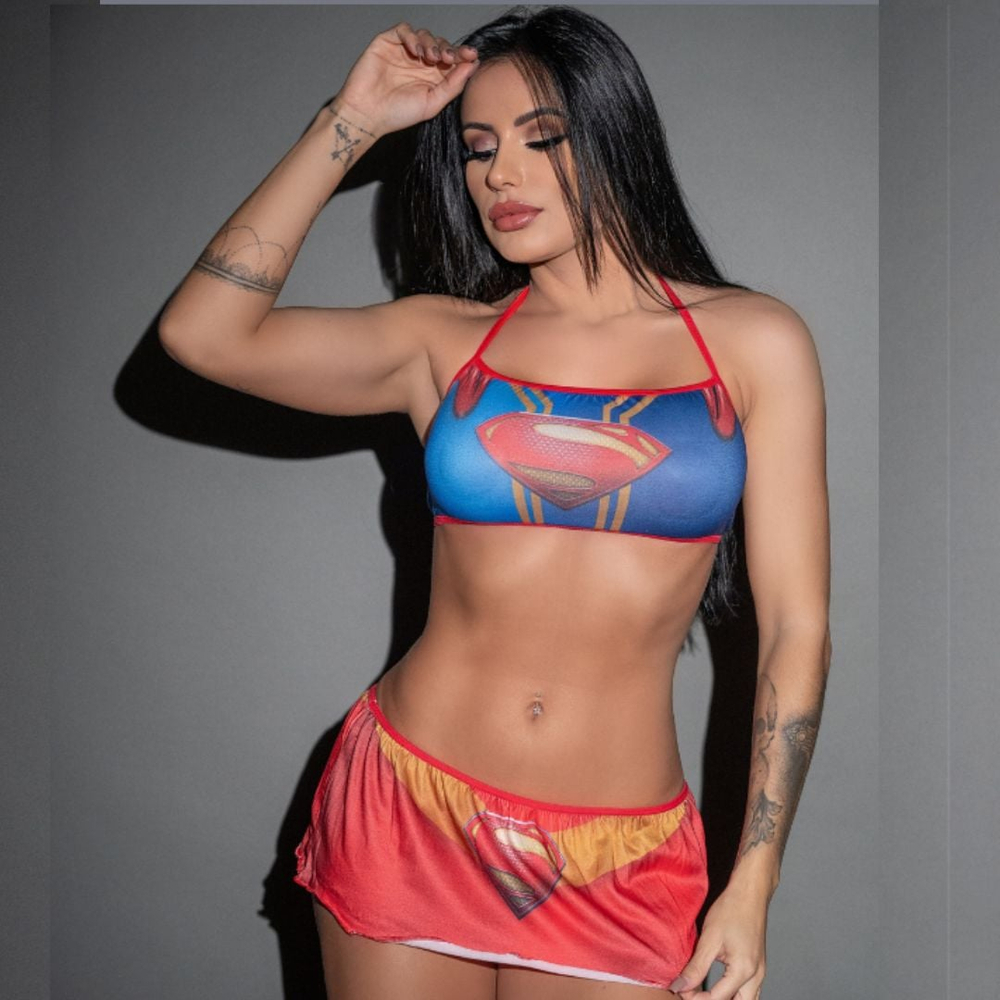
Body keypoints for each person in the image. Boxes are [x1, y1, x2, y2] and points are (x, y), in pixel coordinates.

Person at [159, 7, 830, 999]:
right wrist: (349, 120)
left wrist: (755, 878)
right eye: (477, 150)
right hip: (407, 811)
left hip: (620, 858)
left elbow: (797, 629)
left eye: (540, 139)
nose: (499, 177)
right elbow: (204, 334)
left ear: (613, 136)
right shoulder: (442, 341)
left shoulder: (755, 343)